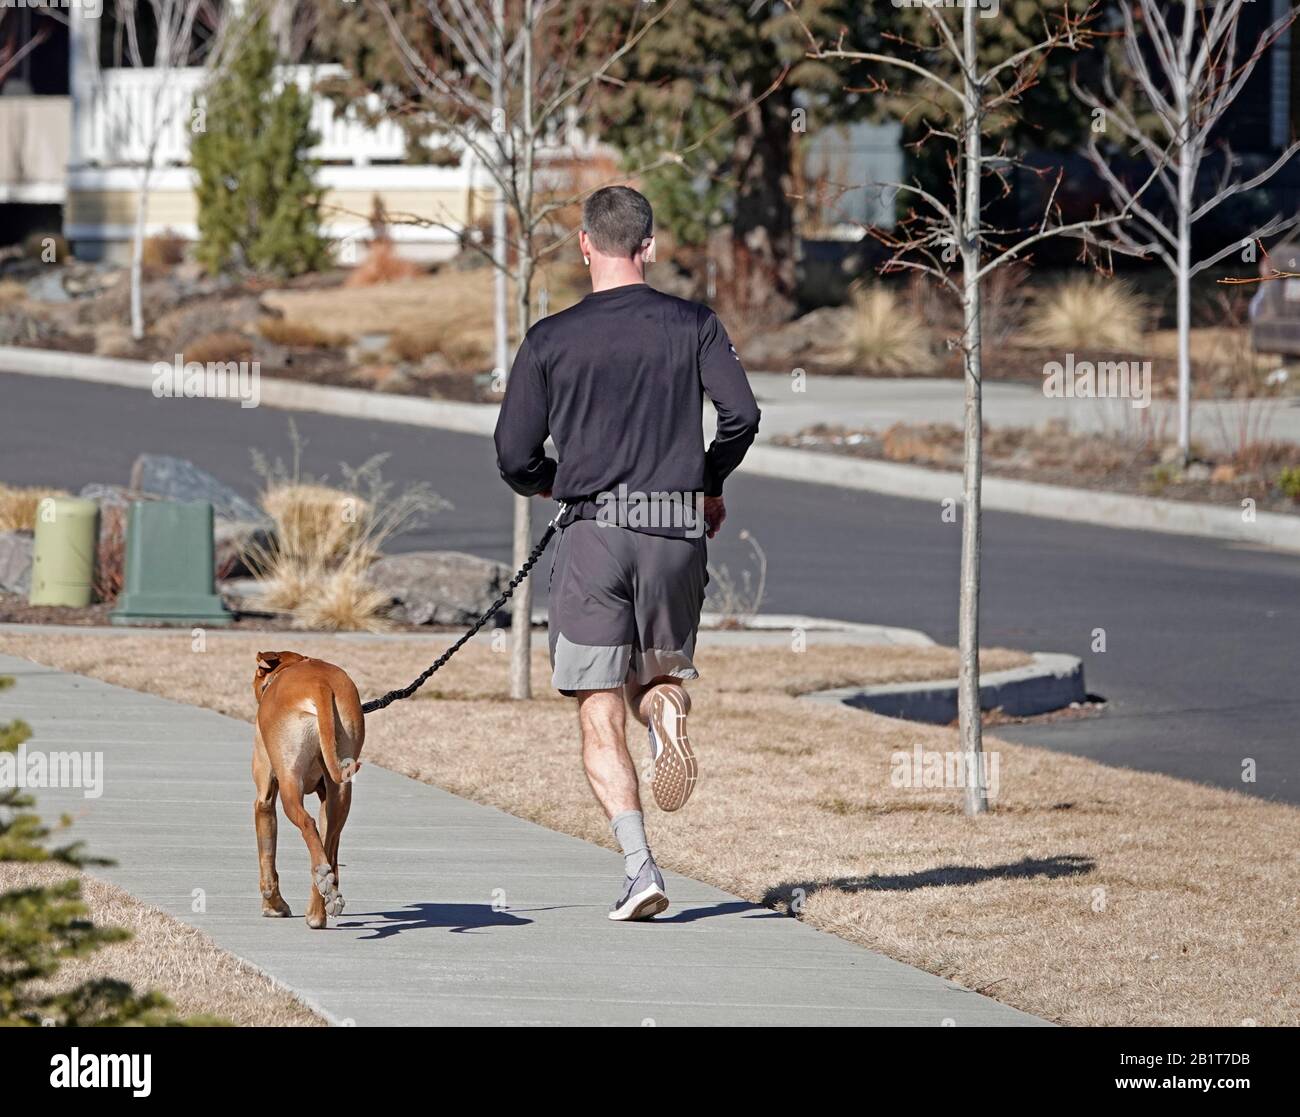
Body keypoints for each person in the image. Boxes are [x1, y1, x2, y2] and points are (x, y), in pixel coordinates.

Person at [494, 185, 760, 921]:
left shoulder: (551, 339)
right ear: (648, 246)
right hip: (675, 530)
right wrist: (706, 481)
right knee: (655, 678)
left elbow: (512, 453)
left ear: (584, 245)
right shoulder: (695, 325)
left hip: (594, 535)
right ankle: (669, 711)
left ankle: (640, 867)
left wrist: (557, 485)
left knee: (599, 710)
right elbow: (743, 414)